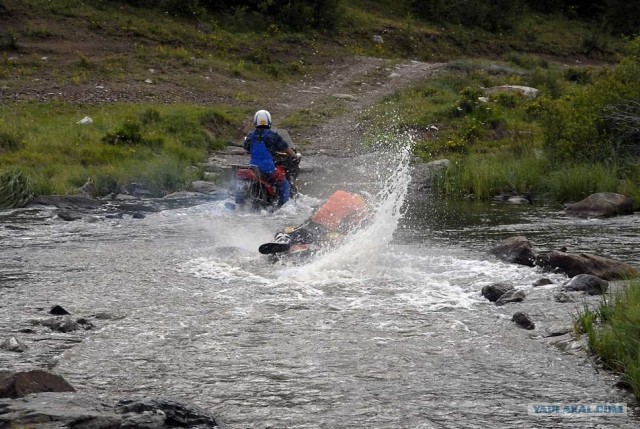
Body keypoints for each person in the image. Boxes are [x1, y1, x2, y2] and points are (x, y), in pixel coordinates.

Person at [259, 190, 370, 254]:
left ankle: (284, 240)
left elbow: (316, 212)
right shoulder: (361, 208)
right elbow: (352, 227)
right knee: (323, 241)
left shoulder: (338, 194)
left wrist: (298, 226)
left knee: (286, 233)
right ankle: (309, 251)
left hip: (312, 225)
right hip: (326, 233)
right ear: (365, 200)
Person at [244, 109, 299, 207]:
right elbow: (286, 149)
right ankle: (282, 208)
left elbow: (247, 148)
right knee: (284, 185)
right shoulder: (272, 135)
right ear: (269, 121)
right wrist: (294, 155)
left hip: (253, 167)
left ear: (255, 121)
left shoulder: (250, 136)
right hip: (268, 169)